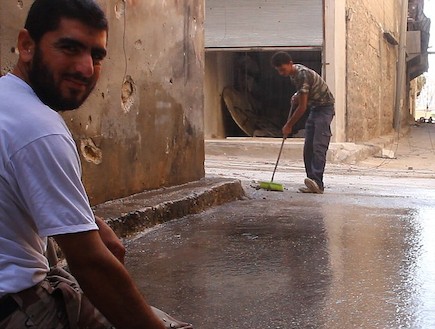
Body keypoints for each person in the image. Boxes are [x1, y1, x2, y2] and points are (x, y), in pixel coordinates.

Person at [0, 1, 179, 328]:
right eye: (69, 48)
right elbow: (91, 264)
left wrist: (88, 220)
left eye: (97, 56)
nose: (86, 68)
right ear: (26, 45)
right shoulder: (39, 129)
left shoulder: (7, 101)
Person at [271, 51, 335, 194]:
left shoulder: (302, 74)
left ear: (290, 63)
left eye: (283, 69)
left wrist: (289, 125)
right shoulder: (294, 75)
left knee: (318, 145)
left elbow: (302, 107)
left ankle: (318, 183)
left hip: (324, 108)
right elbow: (304, 91)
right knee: (308, 147)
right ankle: (311, 180)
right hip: (315, 108)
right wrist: (296, 95)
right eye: (279, 71)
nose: (281, 73)